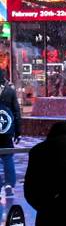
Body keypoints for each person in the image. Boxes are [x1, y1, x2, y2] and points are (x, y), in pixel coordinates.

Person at [0, 69, 21, 197]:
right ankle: (9, 183)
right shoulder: (10, 91)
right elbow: (16, 112)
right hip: (6, 129)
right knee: (7, 157)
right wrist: (18, 132)